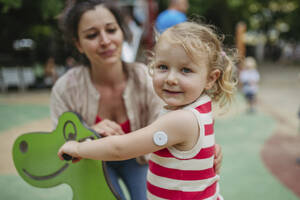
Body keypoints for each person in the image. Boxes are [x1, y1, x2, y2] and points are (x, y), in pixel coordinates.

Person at [58, 21, 236, 199]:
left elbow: (120, 149)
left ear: (211, 78)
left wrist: (79, 148)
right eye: (163, 67)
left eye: (186, 70)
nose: (171, 79)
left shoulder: (181, 119)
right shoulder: (200, 105)